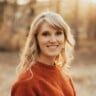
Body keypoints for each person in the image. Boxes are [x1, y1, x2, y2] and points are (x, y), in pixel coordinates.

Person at [11, 11, 76, 96]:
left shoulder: (65, 76)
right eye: (46, 34)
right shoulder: (26, 83)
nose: (53, 40)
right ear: (36, 39)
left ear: (64, 38)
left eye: (58, 33)